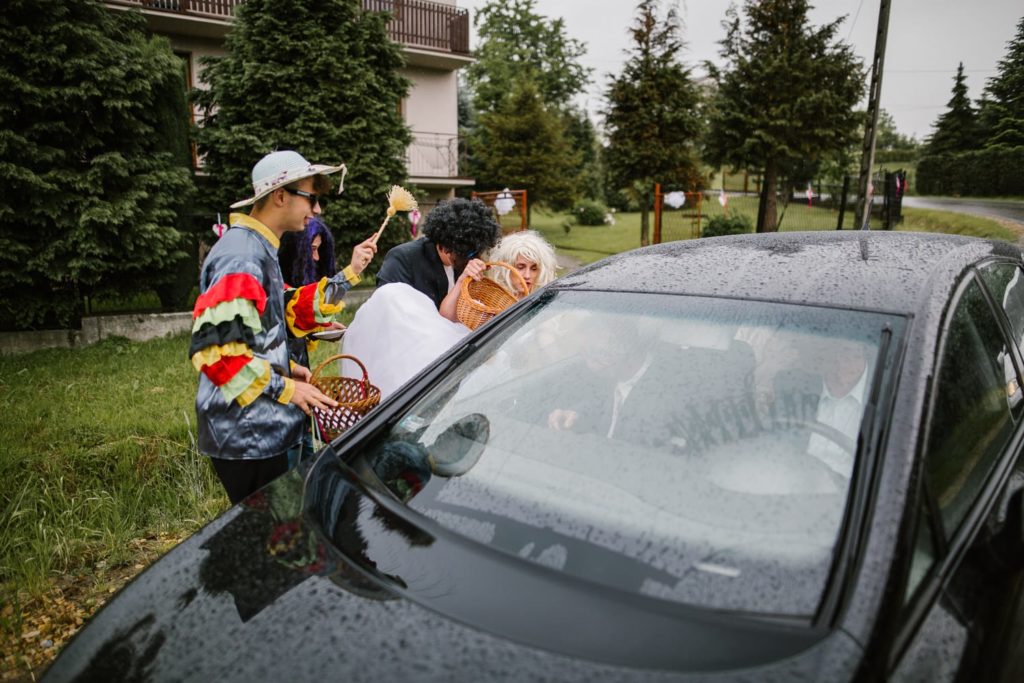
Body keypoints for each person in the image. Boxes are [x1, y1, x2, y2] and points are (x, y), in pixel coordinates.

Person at [189, 150, 377, 504]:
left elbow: (259, 331)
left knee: (281, 533)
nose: (317, 210)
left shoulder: (259, 249)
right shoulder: (241, 257)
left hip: (262, 429)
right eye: (312, 198)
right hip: (249, 436)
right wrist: (288, 389)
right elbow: (218, 355)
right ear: (280, 196)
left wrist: (287, 367)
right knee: (267, 537)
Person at [375, 197, 502, 313]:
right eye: (469, 253)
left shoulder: (462, 258)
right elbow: (388, 310)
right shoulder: (403, 258)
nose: (474, 258)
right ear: (446, 248)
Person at [278, 216, 342, 368]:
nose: (317, 257)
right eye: (312, 249)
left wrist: (322, 328)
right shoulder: (276, 286)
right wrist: (353, 271)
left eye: (318, 250)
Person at [485, 229, 559, 295]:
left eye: (534, 269)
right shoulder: (491, 301)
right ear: (505, 267)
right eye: (520, 267)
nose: (527, 276)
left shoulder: (546, 301)